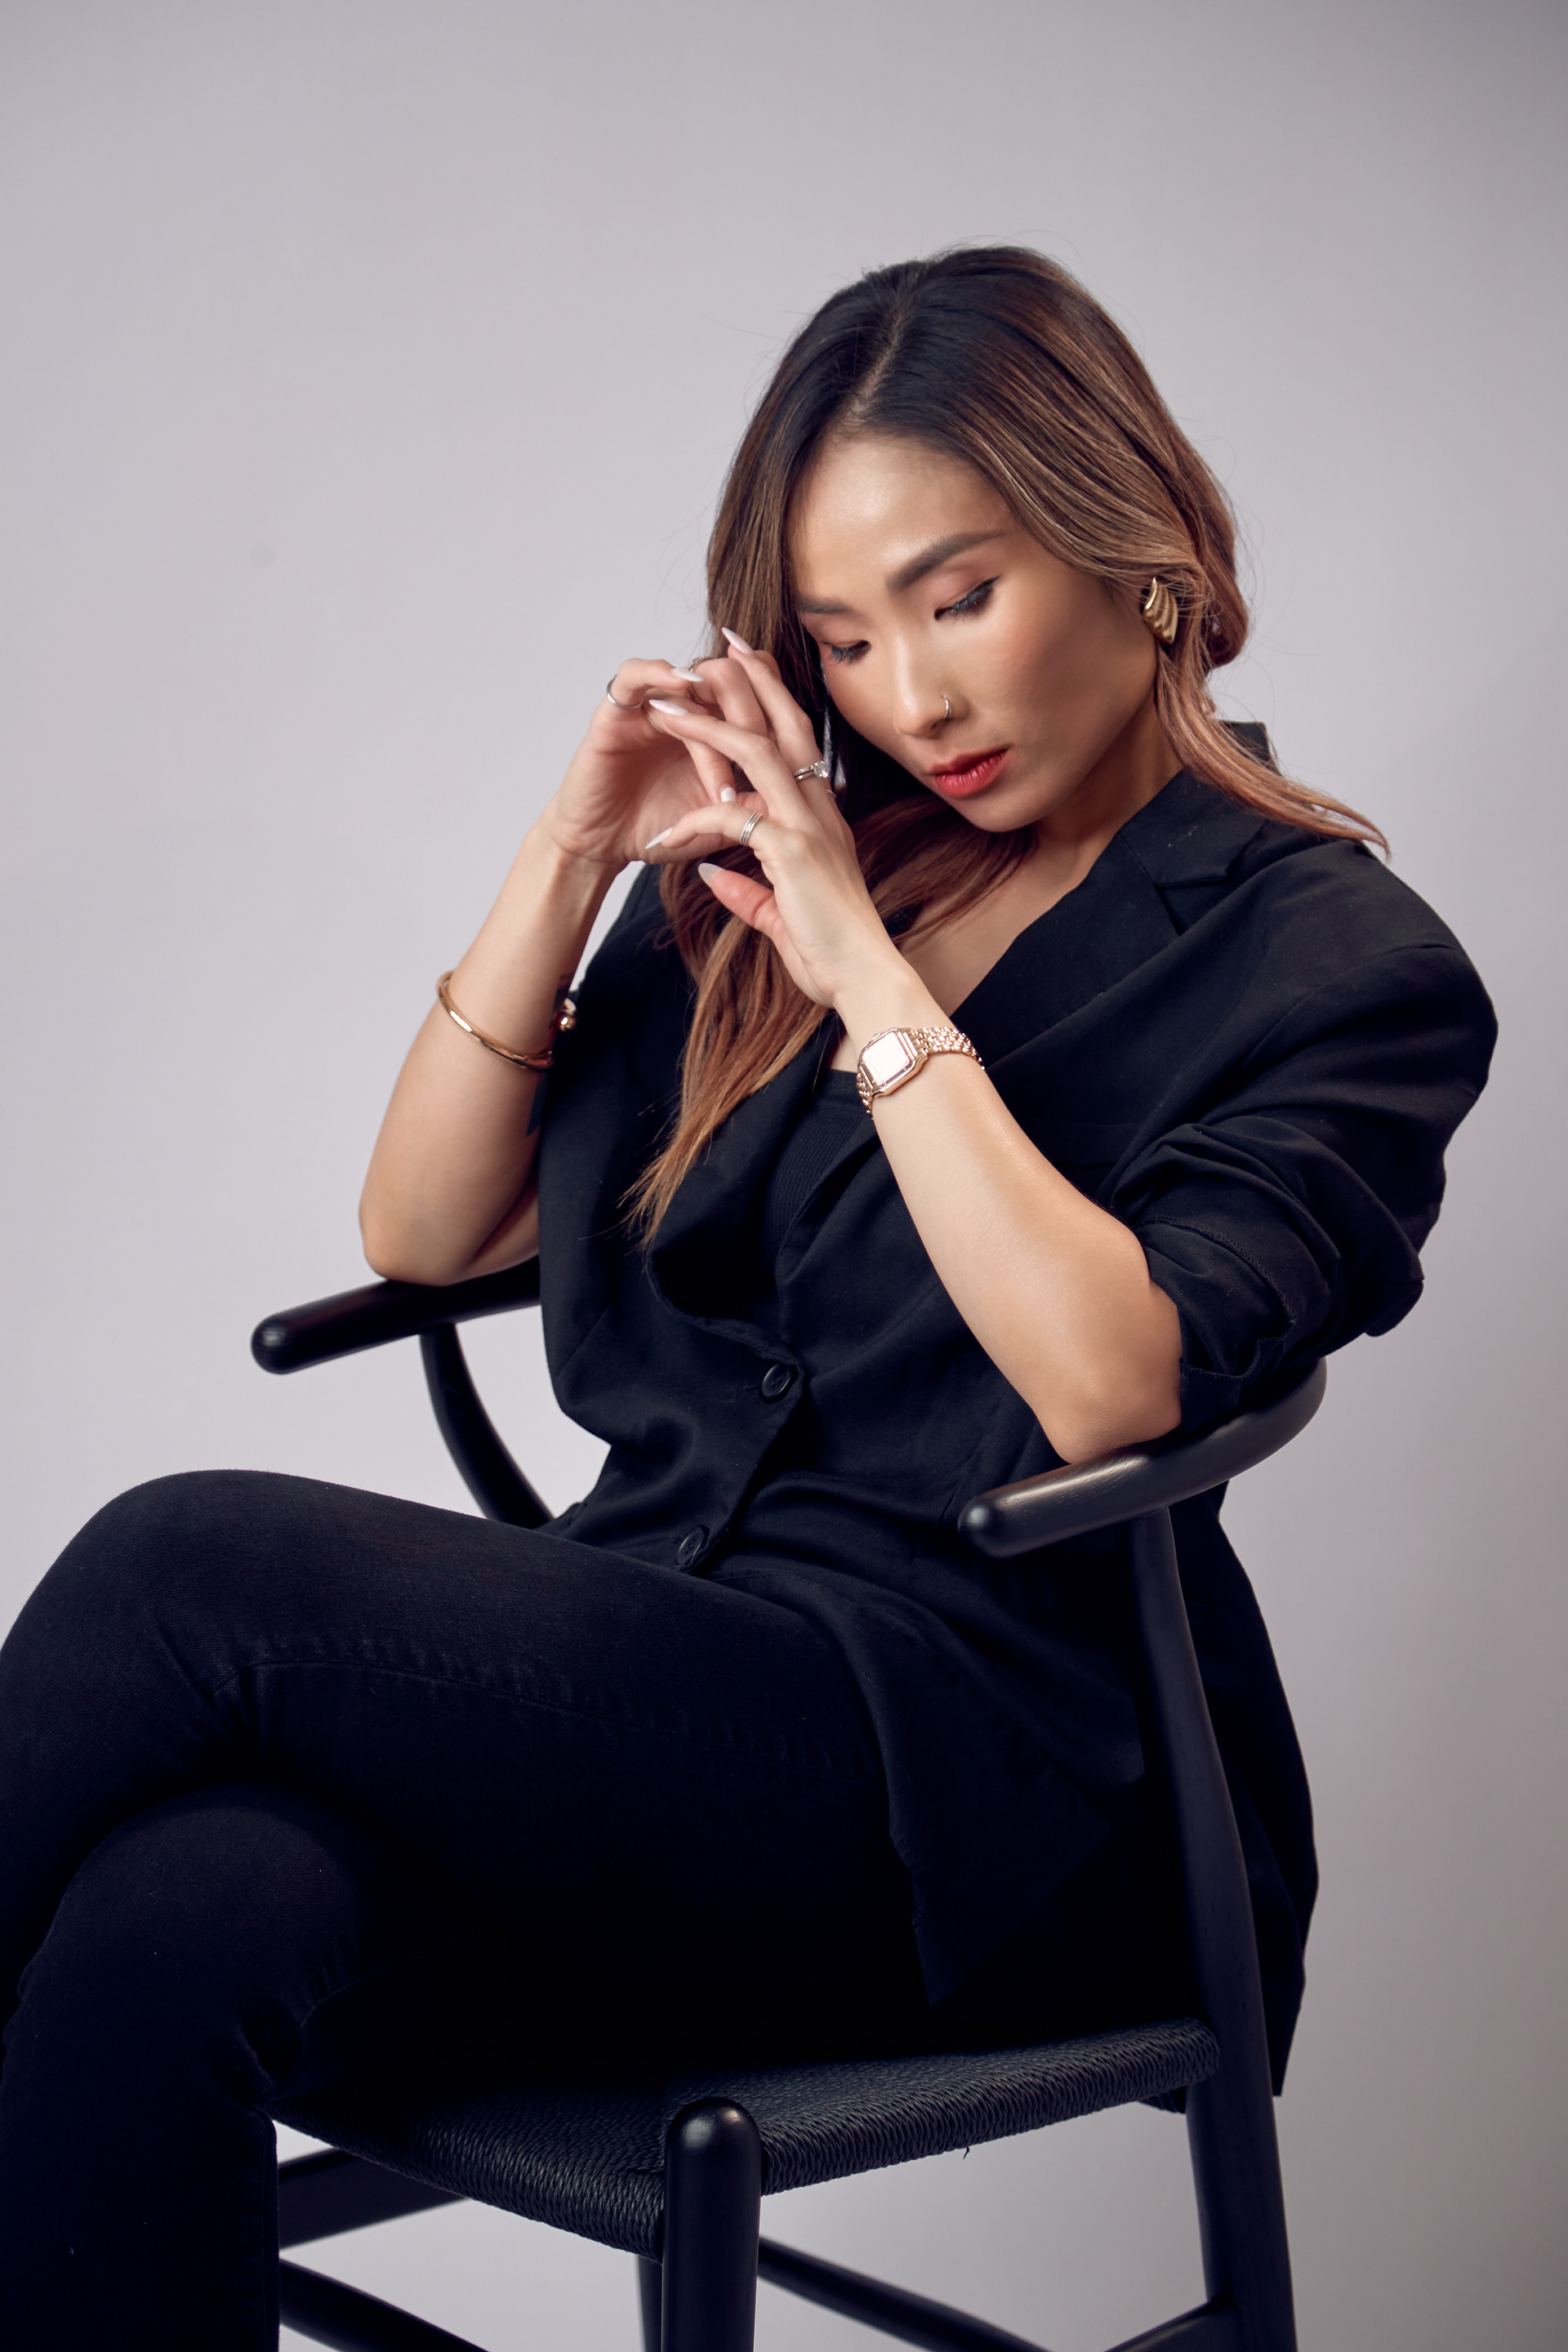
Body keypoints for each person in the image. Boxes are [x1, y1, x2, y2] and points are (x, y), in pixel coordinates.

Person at [0, 247, 1494, 2350]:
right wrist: (574, 852)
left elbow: (1109, 1382)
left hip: (991, 1796)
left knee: (189, 1562)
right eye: (844, 638)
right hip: (663, 1712)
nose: (912, 700)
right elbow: (423, 1232)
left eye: (958, 598)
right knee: (168, 1926)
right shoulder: (794, 869)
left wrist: (862, 969)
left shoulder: (1332, 963)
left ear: (1135, 545)